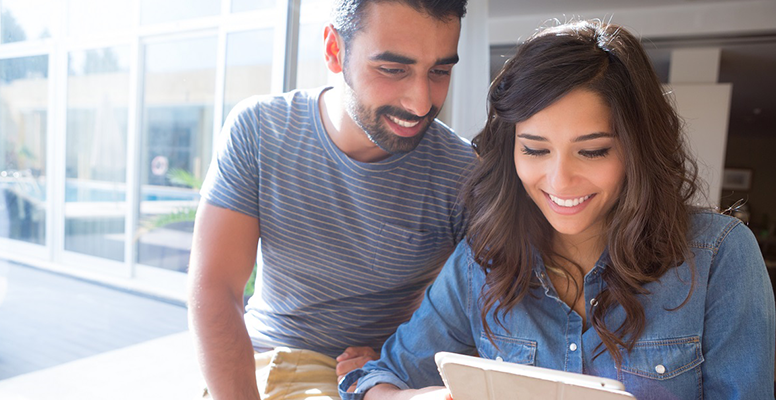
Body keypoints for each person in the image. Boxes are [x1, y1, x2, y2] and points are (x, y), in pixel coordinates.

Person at [338, 20, 776, 400]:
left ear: (637, 151)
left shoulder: (718, 257)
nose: (559, 181)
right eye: (535, 149)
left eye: (593, 152)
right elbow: (374, 375)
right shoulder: (484, 259)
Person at [188, 0, 475, 398]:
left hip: (384, 372)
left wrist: (399, 363)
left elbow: (482, 305)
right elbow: (214, 287)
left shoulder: (462, 173)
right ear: (334, 50)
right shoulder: (259, 130)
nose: (421, 102)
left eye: (440, 71)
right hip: (274, 360)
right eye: (393, 70)